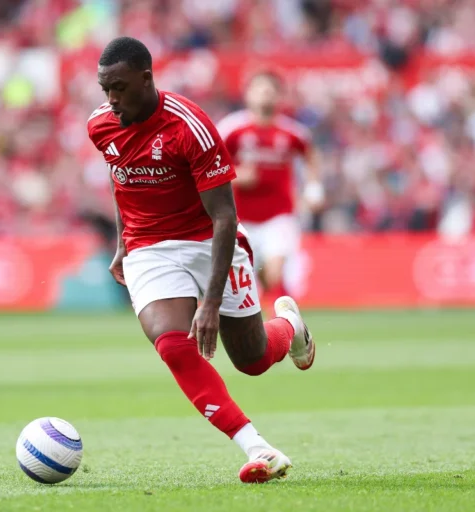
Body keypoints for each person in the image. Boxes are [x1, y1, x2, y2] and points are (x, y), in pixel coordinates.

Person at [88, 37, 316, 484]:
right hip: (148, 247)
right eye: (104, 89)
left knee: (249, 359)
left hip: (207, 239)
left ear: (146, 79)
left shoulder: (190, 127)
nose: (111, 100)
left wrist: (210, 302)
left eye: (119, 87)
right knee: (173, 345)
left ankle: (289, 327)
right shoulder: (100, 125)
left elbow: (225, 216)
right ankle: (259, 448)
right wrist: (121, 243)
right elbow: (121, 182)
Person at [217, 72, 325, 312]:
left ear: (279, 97)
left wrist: (314, 189)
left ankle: (285, 323)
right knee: (251, 278)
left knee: (275, 270)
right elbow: (209, 163)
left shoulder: (292, 133)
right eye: (259, 89)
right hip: (240, 218)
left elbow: (311, 157)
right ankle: (267, 316)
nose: (265, 94)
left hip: (279, 214)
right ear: (248, 95)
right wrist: (235, 175)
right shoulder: (232, 129)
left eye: (270, 90)